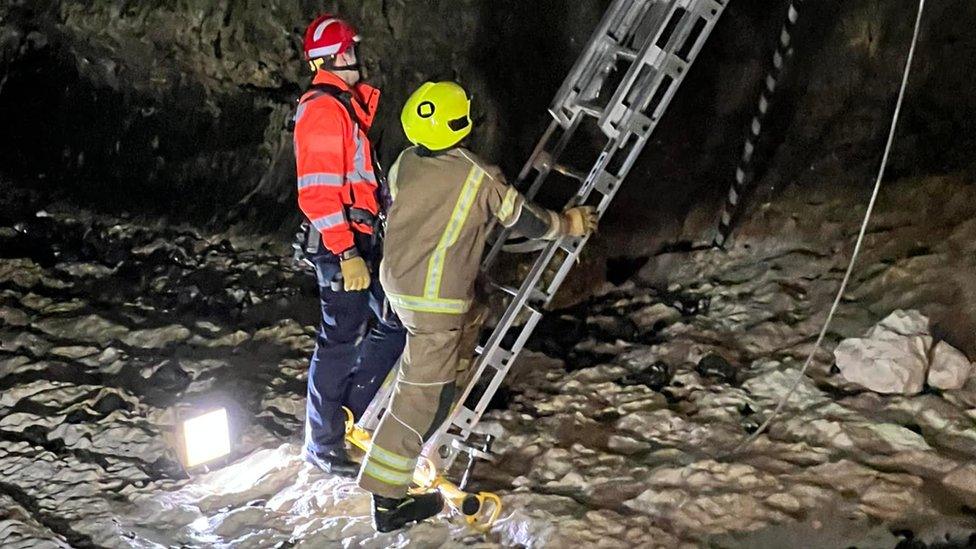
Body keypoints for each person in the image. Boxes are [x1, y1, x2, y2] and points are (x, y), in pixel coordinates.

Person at [357, 81, 598, 532]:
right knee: (420, 400)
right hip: (434, 302)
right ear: (461, 124)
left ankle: (450, 371)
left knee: (475, 310)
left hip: (401, 284)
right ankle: (387, 502)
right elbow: (526, 218)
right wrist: (569, 222)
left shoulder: (405, 162)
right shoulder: (478, 174)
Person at [293, 14, 405, 477]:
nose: (358, 55)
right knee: (339, 340)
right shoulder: (322, 110)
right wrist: (346, 251)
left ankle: (347, 416)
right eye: (352, 49)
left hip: (360, 237)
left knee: (394, 321)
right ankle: (323, 443)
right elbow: (316, 192)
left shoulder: (342, 106)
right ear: (339, 55)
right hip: (344, 245)